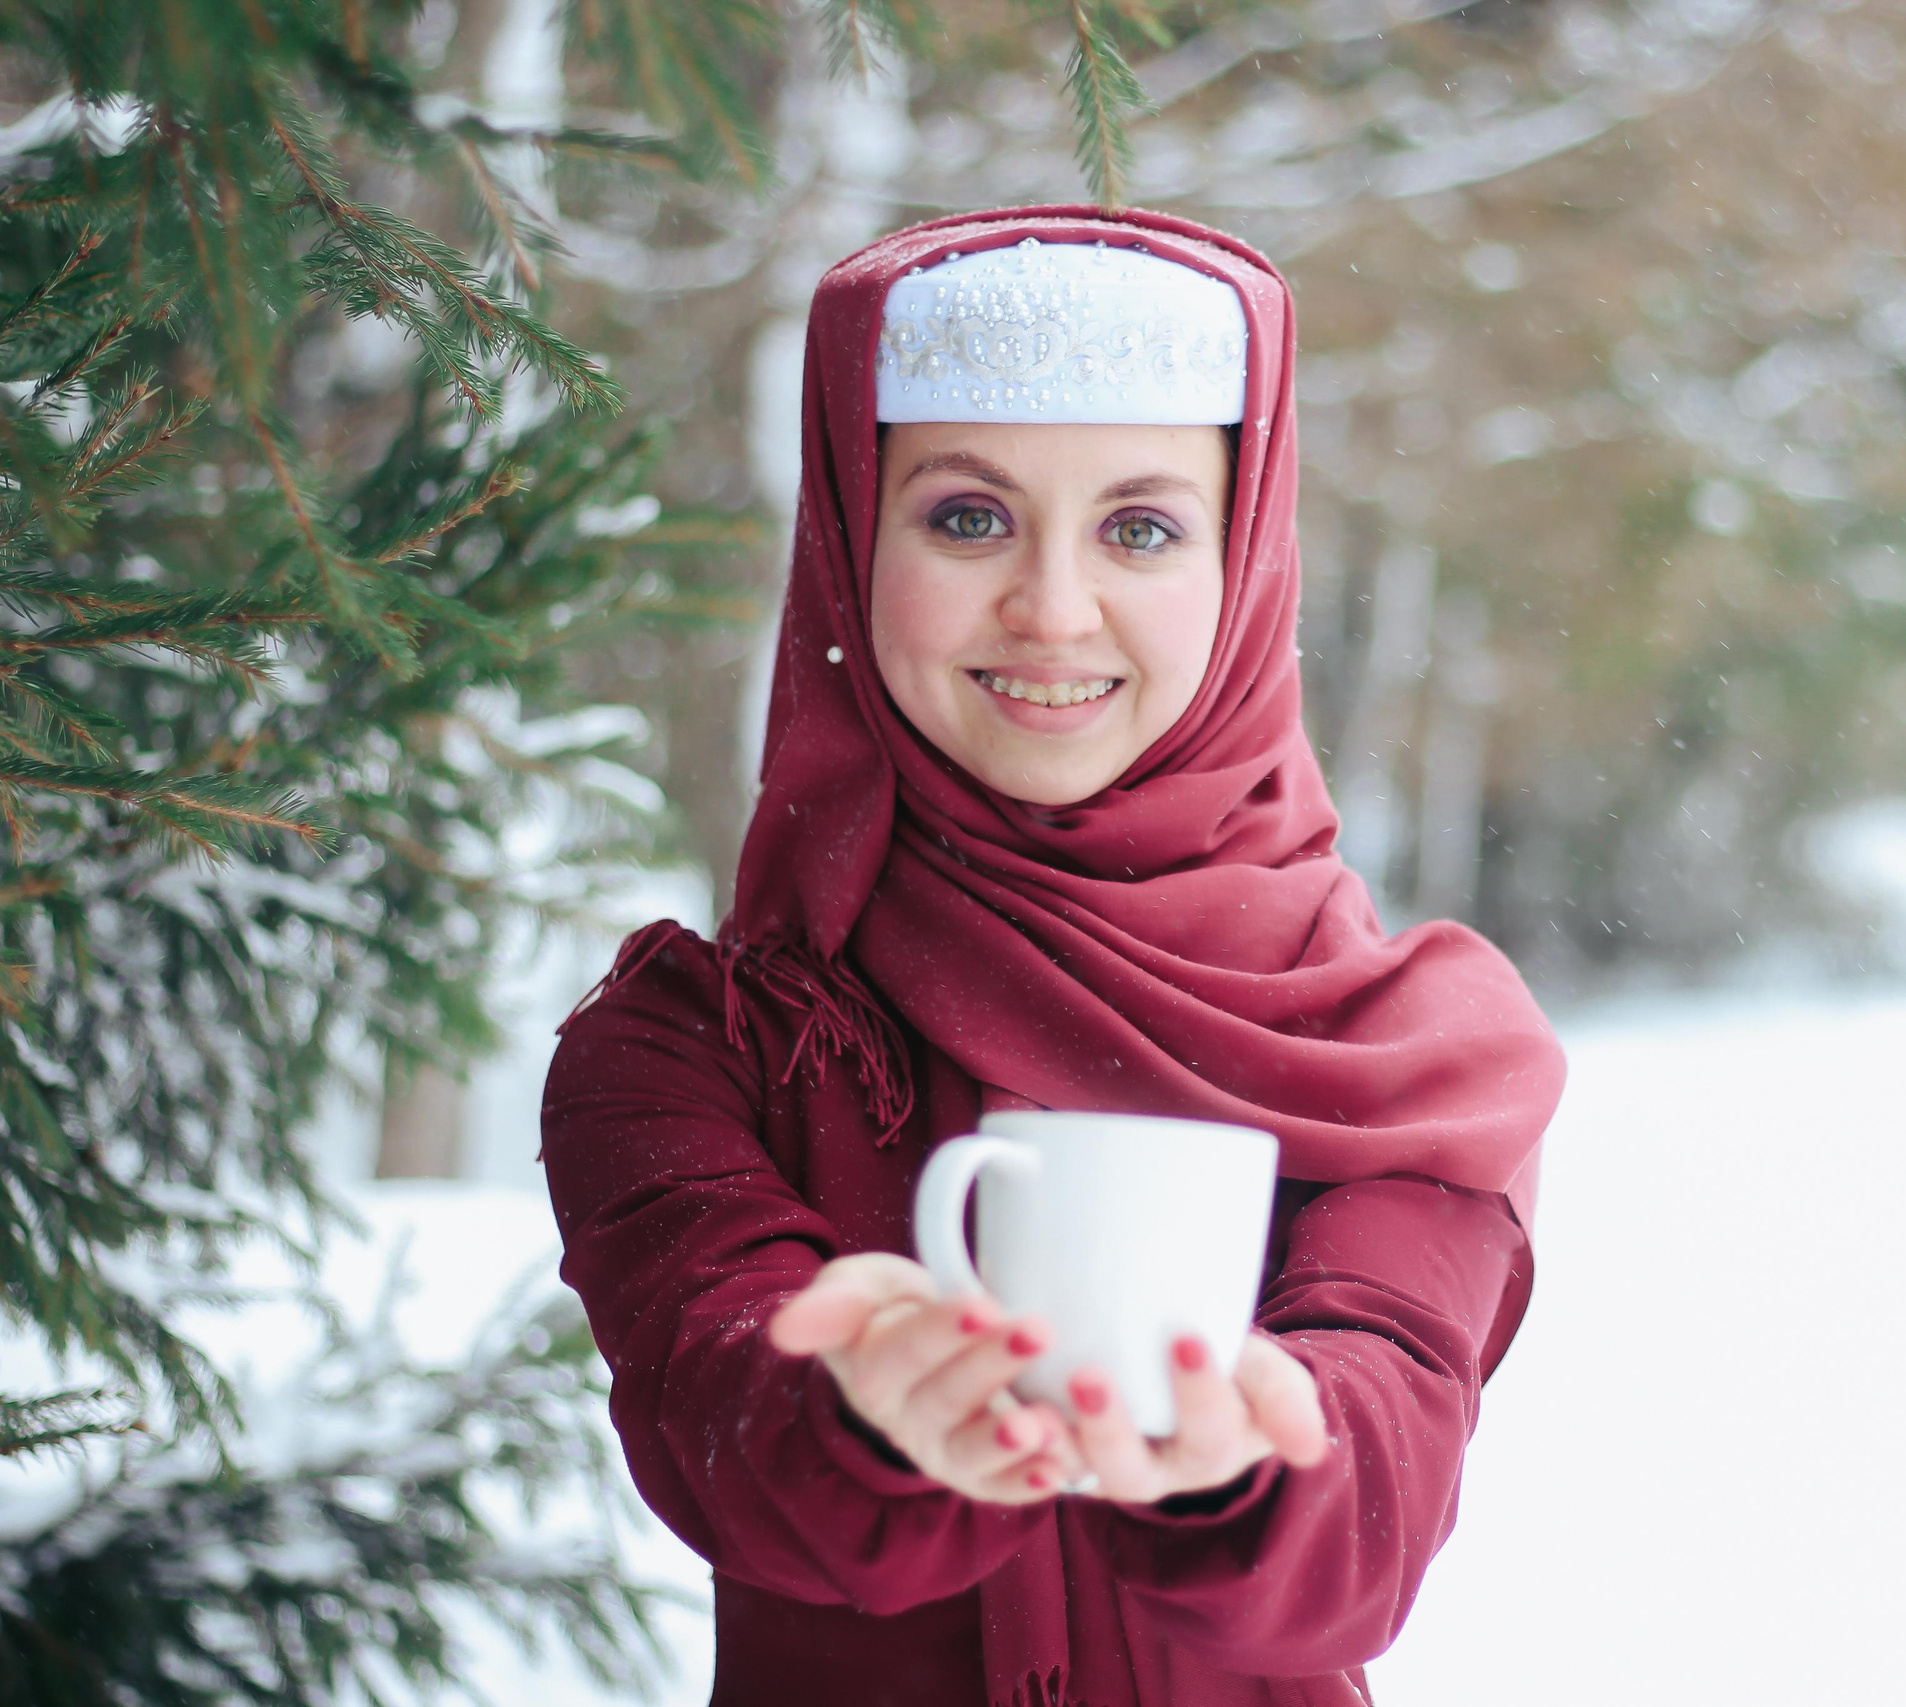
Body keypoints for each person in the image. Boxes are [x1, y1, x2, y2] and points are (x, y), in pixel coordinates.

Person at [542, 206, 1566, 1707]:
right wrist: (864, 1414)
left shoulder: (1402, 1049)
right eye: (966, 517)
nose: (1052, 609)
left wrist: (1251, 1458)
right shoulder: (691, 1045)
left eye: (1140, 527)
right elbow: (726, 1415)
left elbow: (1368, 1512)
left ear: (1246, 569)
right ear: (848, 537)